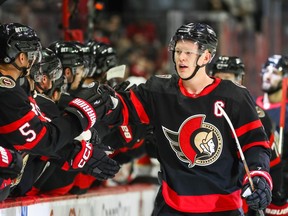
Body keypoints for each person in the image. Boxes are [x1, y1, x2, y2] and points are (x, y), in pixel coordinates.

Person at [91, 22, 273, 215]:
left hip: (223, 208)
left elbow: (254, 144)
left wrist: (259, 174)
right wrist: (107, 102)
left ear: (206, 57)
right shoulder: (158, 91)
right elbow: (124, 109)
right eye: (178, 51)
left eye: (188, 53)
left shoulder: (234, 97)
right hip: (172, 206)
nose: (181, 58)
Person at [0, 22, 119, 198]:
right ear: (22, 58)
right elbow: (42, 140)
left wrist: (74, 152)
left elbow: (37, 136)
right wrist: (83, 114)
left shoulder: (14, 89)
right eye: (33, 54)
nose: (35, 62)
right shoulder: (6, 91)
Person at [211, 55, 283, 216]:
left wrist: (277, 200)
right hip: (201, 201)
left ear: (240, 80)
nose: (223, 85)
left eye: (228, 79)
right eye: (218, 79)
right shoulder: (198, 111)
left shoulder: (257, 116)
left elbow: (274, 165)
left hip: (240, 203)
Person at [255, 54, 288, 215]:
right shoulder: (251, 107)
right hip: (258, 185)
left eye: (275, 72)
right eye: (266, 71)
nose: (268, 76)